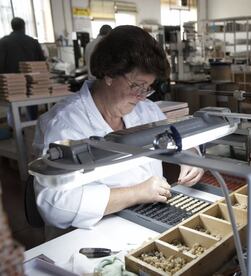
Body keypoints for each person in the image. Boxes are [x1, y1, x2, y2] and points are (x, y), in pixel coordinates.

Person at [33, 26, 204, 233]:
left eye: (147, 88)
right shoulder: (66, 124)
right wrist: (136, 193)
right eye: (136, 85)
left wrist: (191, 156)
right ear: (109, 73)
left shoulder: (145, 111)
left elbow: (180, 137)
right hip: (89, 236)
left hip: (145, 219)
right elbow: (55, 205)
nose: (142, 96)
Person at [0, 17, 45, 121]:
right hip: (31, 80)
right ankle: (33, 123)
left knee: (14, 106)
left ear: (12, 27)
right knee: (32, 103)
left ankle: (15, 128)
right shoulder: (33, 41)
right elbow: (41, 62)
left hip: (11, 82)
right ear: (24, 27)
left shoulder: (3, 42)